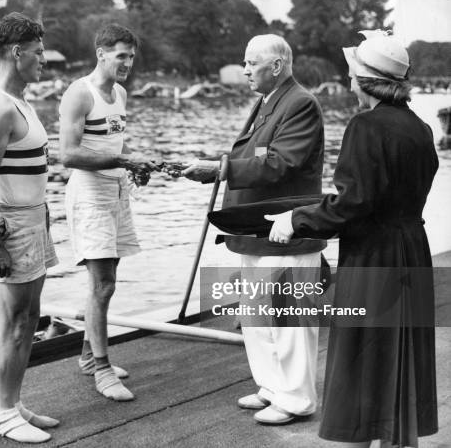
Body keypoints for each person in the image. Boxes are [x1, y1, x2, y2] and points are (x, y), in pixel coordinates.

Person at [267, 30, 439, 447]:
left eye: (351, 76)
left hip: (374, 255)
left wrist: (296, 220)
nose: (347, 83)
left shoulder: (365, 126)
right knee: (399, 362)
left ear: (364, 80)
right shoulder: (420, 128)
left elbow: (350, 204)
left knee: (362, 363)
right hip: (412, 250)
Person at [183, 34, 326, 424]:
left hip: (286, 229)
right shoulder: (269, 101)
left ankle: (297, 398)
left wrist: (220, 168)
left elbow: (282, 162)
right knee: (258, 310)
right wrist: (218, 165)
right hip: (259, 227)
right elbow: (256, 154)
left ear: (276, 66)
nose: (244, 69)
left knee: (289, 315)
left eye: (250, 63)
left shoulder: (300, 103)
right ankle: (272, 387)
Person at [0, 12, 59, 443]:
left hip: (34, 220)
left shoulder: (22, 102)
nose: (44, 60)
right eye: (39, 53)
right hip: (11, 228)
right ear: (16, 52)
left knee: (30, 318)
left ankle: (15, 402)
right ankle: (4, 415)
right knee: (13, 323)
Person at [59, 23, 159, 402]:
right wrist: (122, 158)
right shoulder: (78, 94)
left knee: (108, 282)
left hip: (116, 191)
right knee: (102, 285)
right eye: (121, 56)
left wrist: (134, 165)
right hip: (88, 197)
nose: (128, 63)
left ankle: (89, 357)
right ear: (100, 52)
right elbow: (68, 155)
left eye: (131, 56)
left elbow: (114, 143)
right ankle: (101, 369)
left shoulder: (119, 93)